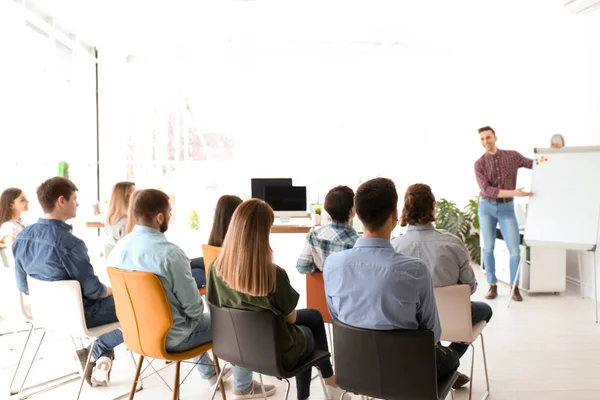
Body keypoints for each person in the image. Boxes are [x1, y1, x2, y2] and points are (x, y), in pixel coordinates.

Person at [110, 190, 275, 399]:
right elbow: (195, 309)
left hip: (136, 335)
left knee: (183, 319)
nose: (170, 216)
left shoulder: (119, 249)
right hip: (173, 339)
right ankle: (243, 386)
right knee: (234, 324)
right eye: (170, 212)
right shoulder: (169, 254)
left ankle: (210, 372)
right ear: (160, 217)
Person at [323, 178, 463, 387]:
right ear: (395, 215)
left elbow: (337, 317)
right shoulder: (415, 270)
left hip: (355, 370)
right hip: (407, 375)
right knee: (450, 357)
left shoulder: (333, 264)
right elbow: (432, 334)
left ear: (357, 214)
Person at [207, 199, 341, 400]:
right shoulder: (273, 274)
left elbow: (215, 308)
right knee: (307, 333)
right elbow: (291, 320)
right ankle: (315, 391)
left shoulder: (216, 267)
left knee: (313, 315)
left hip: (233, 349)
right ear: (263, 234)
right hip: (276, 355)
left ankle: (330, 383)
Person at [12, 177, 123, 387]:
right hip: (81, 316)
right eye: (75, 199)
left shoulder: (23, 236)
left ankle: (97, 354)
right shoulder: (70, 243)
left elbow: (23, 286)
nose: (78, 204)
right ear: (61, 201)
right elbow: (94, 291)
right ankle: (96, 350)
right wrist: (113, 289)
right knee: (140, 305)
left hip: (46, 314)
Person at [392, 183, 493, 360]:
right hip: (451, 319)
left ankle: (438, 363)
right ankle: (448, 362)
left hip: (410, 323)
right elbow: (470, 288)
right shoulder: (453, 243)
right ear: (433, 206)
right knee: (485, 310)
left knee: (424, 314)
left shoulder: (394, 247)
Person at [475, 126, 533, 301]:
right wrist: (516, 192)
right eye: (482, 139)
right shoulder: (479, 164)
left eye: (488, 137)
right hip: (486, 207)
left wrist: (551, 155)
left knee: (515, 250)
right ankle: (492, 285)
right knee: (489, 247)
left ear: (495, 137)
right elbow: (487, 190)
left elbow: (533, 163)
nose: (486, 141)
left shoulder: (512, 156)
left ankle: (514, 287)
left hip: (507, 208)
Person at [296, 185, 359, 274]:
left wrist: (322, 268)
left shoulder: (314, 235)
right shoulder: (357, 243)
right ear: (352, 210)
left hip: (322, 287)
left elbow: (302, 267)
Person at [190, 195, 243, 288]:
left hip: (221, 275)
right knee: (190, 267)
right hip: (222, 275)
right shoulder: (242, 233)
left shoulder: (217, 234)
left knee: (189, 266)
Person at [104, 182, 136, 258]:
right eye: (135, 194)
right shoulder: (126, 222)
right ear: (128, 196)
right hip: (124, 264)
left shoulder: (109, 220)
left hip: (112, 263)